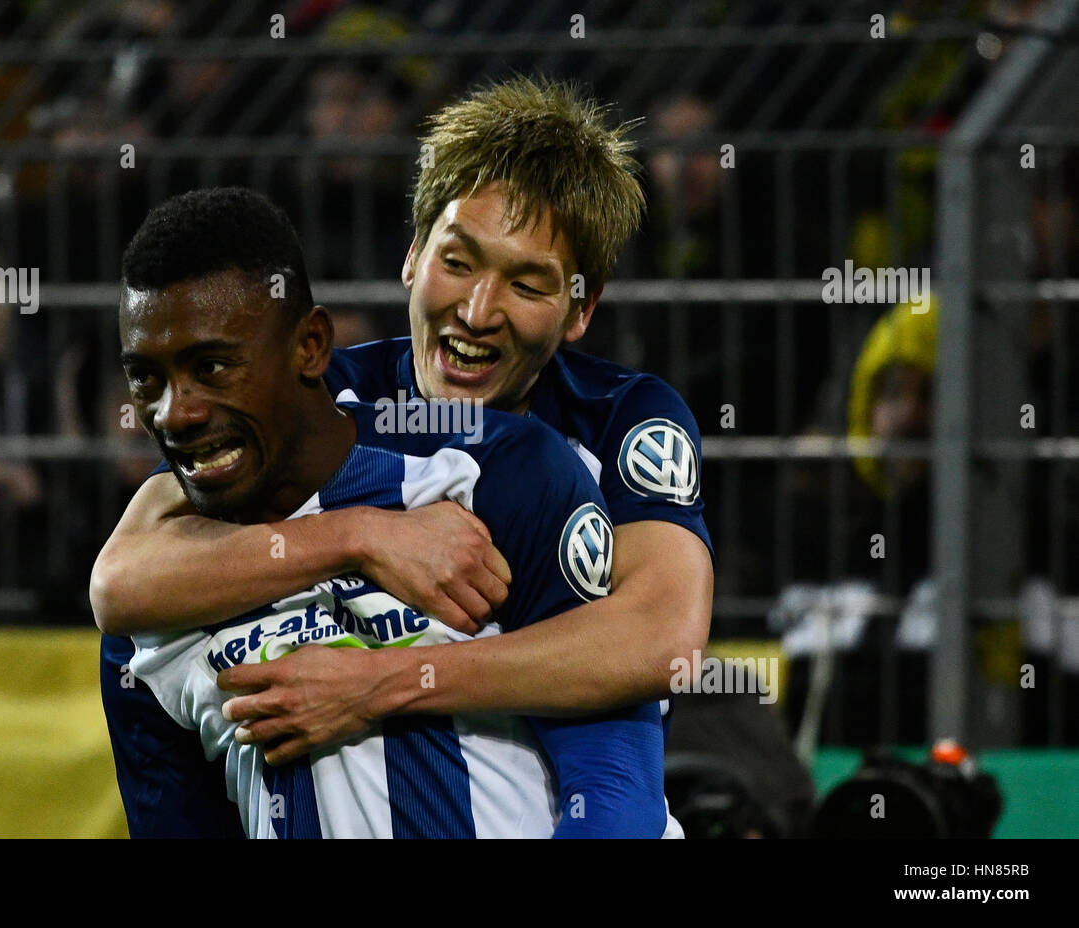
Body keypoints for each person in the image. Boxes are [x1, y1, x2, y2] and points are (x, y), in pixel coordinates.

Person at [92, 76, 713, 835]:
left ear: (580, 308)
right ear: (413, 255)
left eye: (525, 283)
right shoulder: (327, 395)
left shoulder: (620, 419)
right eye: (458, 262)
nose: (478, 312)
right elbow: (124, 579)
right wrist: (363, 536)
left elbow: (659, 640)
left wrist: (380, 682)